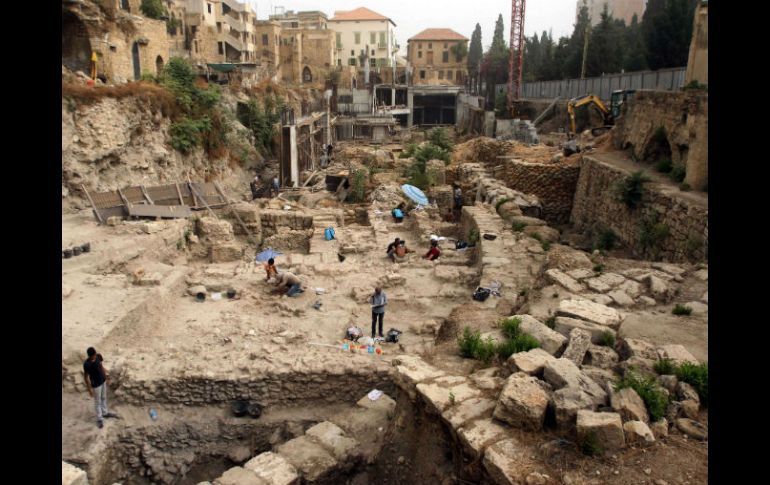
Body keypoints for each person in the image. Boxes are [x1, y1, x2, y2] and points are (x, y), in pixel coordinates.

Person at [83, 347, 118, 428]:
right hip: (96, 385)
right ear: (90, 356)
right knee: (97, 402)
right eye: (93, 355)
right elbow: (86, 377)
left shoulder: (98, 357)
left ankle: (105, 413)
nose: (95, 356)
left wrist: (106, 377)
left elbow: (101, 367)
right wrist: (89, 390)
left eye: (95, 354)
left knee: (104, 397)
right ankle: (99, 418)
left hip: (103, 381)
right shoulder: (87, 364)